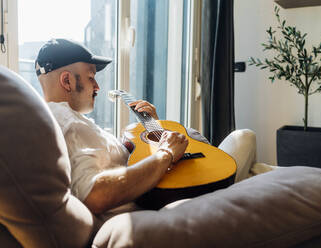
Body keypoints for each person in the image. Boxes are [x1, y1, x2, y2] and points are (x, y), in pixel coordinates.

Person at [35, 38, 261, 219]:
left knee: (249, 154)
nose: (97, 86)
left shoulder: (72, 122)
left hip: (168, 185)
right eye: (91, 77)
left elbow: (128, 160)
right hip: (165, 199)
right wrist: (166, 153)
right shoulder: (67, 122)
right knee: (244, 139)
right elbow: (94, 194)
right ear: (66, 81)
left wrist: (152, 125)